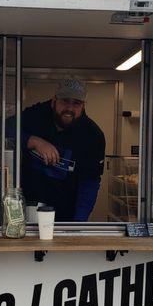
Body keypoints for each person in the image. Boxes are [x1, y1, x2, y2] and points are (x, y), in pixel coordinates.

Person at [17, 79, 105, 222]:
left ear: (83, 106)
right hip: (24, 210)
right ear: (54, 101)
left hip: (65, 216)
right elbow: (1, 129)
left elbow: (89, 184)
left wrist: (77, 225)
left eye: (76, 103)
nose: (69, 108)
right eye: (65, 101)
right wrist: (33, 141)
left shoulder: (92, 136)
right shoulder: (36, 115)